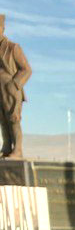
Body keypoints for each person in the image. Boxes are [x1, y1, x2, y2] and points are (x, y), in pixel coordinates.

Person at [0, 15, 32, 159]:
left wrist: (14, 84)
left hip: (11, 90)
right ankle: (7, 147)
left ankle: (17, 150)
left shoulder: (13, 48)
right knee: (3, 120)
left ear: (2, 28)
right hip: (0, 90)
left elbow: (26, 69)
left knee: (13, 119)